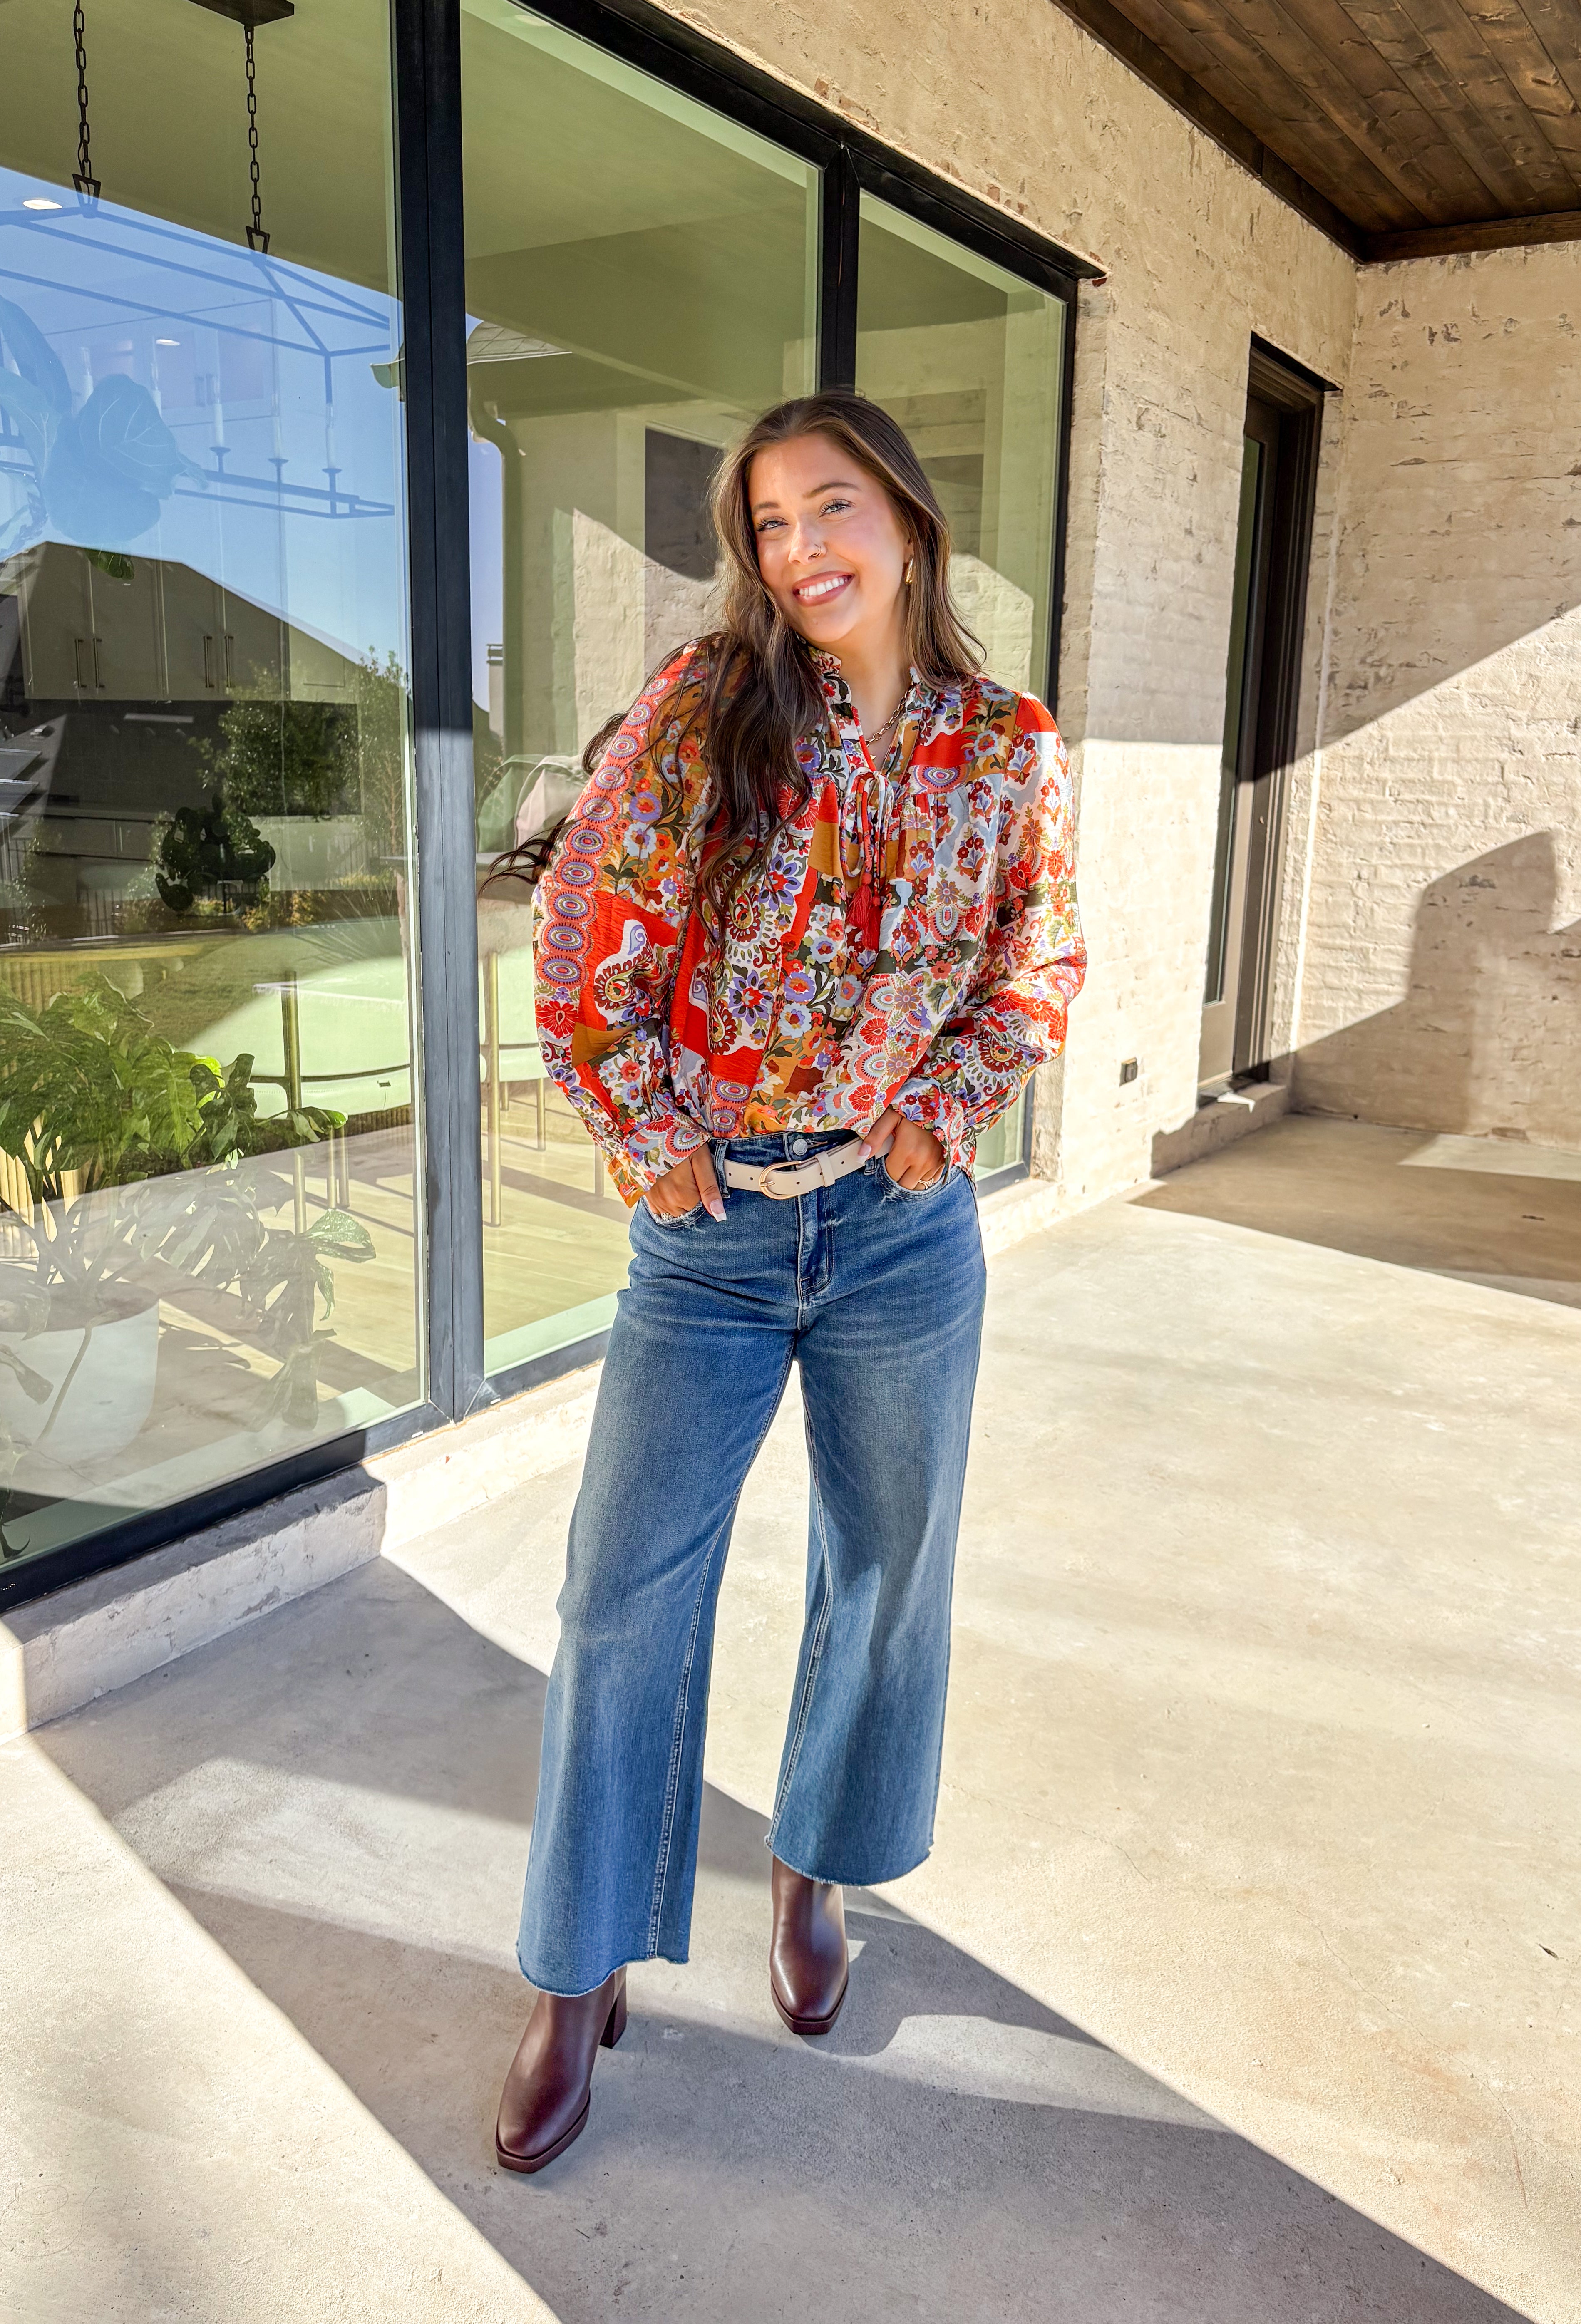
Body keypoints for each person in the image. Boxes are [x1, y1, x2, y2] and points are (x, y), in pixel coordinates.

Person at [495, 389, 1085, 2173]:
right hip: (714, 1241)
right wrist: (642, 1120)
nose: (799, 551)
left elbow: (1035, 951)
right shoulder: (709, 706)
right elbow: (584, 924)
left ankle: (812, 1863)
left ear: (906, 522)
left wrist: (954, 1102)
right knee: (620, 1588)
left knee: (886, 1561)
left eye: (831, 508)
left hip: (904, 1234)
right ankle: (575, 1961)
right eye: (766, 523)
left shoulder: (1007, 746)